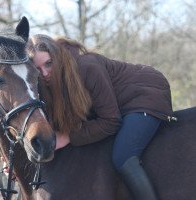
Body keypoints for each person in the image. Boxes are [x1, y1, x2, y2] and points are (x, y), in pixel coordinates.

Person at [27, 34, 175, 200]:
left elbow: (111, 121)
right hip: (119, 104)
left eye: (48, 63)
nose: (45, 73)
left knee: (123, 156)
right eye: (38, 69)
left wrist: (69, 136)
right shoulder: (45, 82)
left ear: (57, 56)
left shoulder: (87, 67)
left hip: (145, 94)